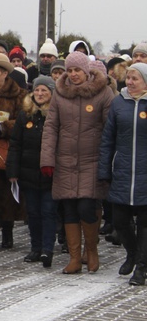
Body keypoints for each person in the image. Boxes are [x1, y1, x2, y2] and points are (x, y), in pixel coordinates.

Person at [41, 51, 114, 274]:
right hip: (65, 160)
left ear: (87, 71)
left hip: (92, 160)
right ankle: (74, 258)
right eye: (70, 70)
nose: (73, 75)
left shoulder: (103, 93)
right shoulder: (60, 94)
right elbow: (51, 127)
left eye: (77, 71)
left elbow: (110, 130)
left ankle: (91, 250)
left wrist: (108, 161)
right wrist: (47, 159)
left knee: (87, 206)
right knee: (69, 208)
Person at [98, 63, 147, 285]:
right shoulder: (119, 103)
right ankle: (133, 254)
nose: (129, 82)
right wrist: (104, 168)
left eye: (135, 78)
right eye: (128, 78)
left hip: (145, 173)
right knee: (120, 220)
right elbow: (108, 138)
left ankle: (141, 269)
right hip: (123, 171)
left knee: (145, 223)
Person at [7, 76, 57, 268]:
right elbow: (15, 144)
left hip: (49, 173)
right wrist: (13, 170)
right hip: (28, 172)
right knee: (33, 213)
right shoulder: (25, 115)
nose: (40, 94)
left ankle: (47, 249)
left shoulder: (55, 114)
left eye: (44, 90)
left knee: (48, 211)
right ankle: (35, 248)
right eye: (37, 90)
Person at [0, 52, 26, 247]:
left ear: (4, 73)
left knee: (6, 191)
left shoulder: (19, 95)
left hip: (6, 149)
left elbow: (23, 121)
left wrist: (3, 127)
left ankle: (7, 232)